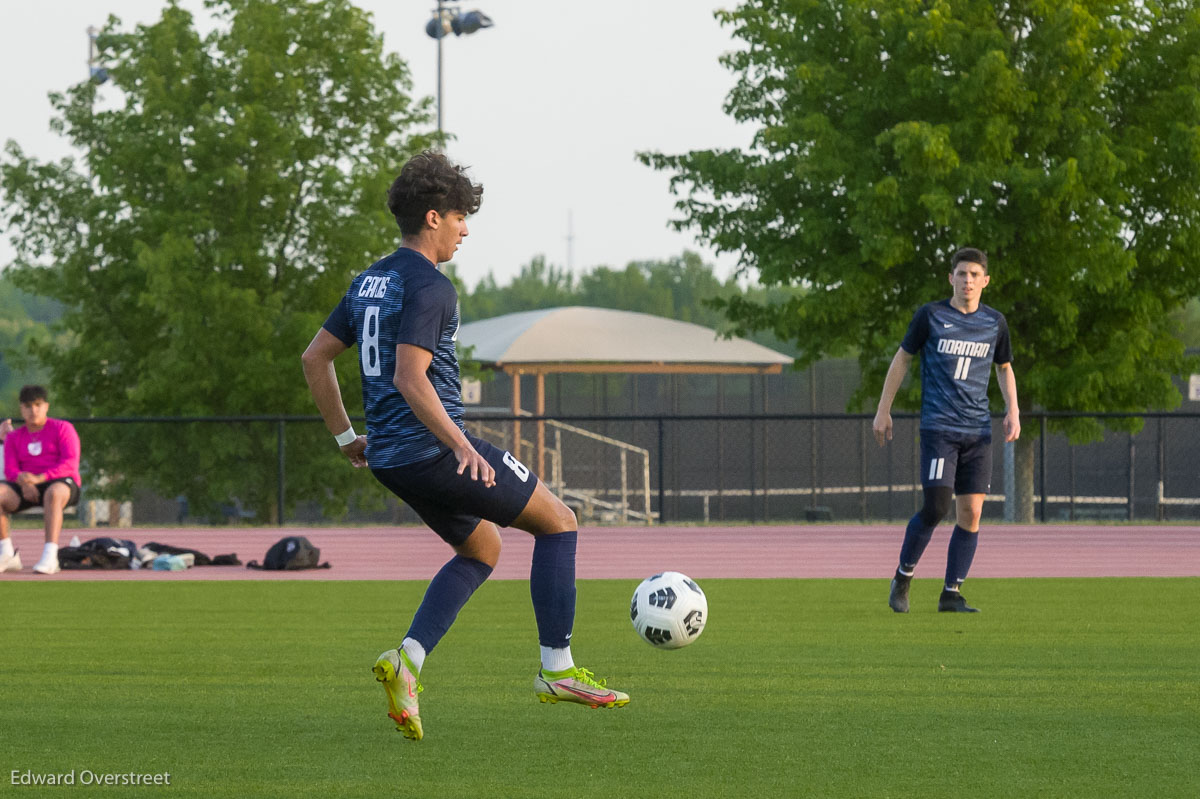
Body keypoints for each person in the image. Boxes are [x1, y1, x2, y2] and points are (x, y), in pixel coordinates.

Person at [301, 150, 629, 741]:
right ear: (432, 218)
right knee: (559, 521)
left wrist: (348, 437)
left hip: (392, 460)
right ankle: (557, 669)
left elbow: (314, 358)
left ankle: (407, 660)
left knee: (483, 550)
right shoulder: (432, 286)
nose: (465, 229)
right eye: (458, 217)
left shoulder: (369, 280)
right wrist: (461, 445)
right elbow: (409, 376)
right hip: (434, 451)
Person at [873, 248, 1020, 613]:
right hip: (940, 427)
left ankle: (951, 593)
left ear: (985, 280)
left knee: (971, 513)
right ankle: (903, 576)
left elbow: (1003, 367)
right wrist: (883, 410)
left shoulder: (994, 322)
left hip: (978, 431)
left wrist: (1013, 409)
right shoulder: (932, 316)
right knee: (937, 506)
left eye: (974, 274)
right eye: (961, 273)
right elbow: (903, 357)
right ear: (950, 278)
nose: (967, 280)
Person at [0, 385, 83, 575]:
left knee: (54, 492)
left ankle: (50, 555)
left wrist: (40, 478)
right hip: (26, 485)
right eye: (28, 406)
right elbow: (10, 470)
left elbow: (70, 464)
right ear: (21, 408)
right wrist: (24, 481)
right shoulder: (14, 437)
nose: (33, 410)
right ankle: (6, 553)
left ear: (46, 406)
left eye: (38, 405)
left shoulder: (63, 428)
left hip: (60, 483)